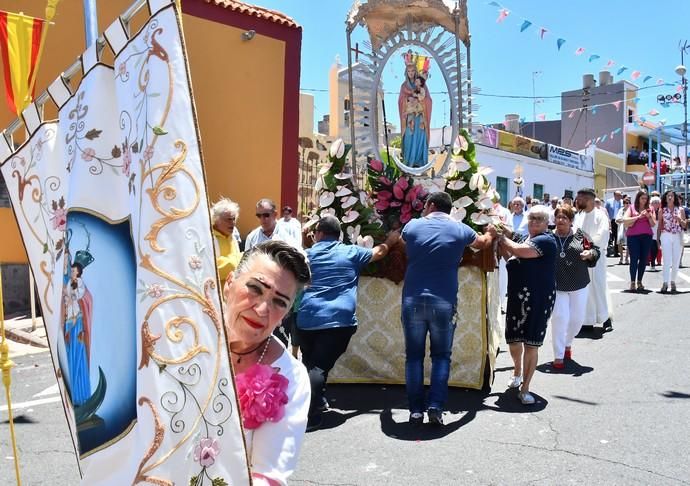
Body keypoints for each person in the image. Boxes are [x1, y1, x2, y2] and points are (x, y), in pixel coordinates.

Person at [296, 216, 400, 431]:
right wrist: (390, 240)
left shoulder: (307, 254)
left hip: (307, 318)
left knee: (310, 362)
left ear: (319, 234)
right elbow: (378, 253)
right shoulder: (350, 252)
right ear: (339, 235)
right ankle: (311, 415)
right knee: (318, 368)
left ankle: (318, 401)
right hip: (337, 320)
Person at [400, 192, 495, 425]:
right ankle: (435, 406)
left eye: (425, 206)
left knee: (414, 357)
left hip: (412, 299)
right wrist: (490, 233)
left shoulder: (413, 226)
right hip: (444, 300)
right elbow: (482, 244)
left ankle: (415, 410)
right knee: (441, 357)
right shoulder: (459, 228)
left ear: (431, 205)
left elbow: (403, 241)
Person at [224, 240, 311, 485]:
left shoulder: (290, 378)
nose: (262, 309)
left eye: (279, 302)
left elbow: (267, 475)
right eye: (255, 288)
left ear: (286, 314)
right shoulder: (183, 336)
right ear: (229, 283)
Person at [498, 206, 555, 405]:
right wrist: (501, 241)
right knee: (513, 340)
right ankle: (517, 371)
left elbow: (520, 251)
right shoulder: (524, 239)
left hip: (538, 299)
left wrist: (501, 238)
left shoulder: (546, 240)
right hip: (517, 297)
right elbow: (511, 260)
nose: (534, 223)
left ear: (547, 223)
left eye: (539, 220)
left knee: (531, 343)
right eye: (531, 219)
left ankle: (525, 388)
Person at [549, 205, 599, 369]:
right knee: (559, 318)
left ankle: (568, 342)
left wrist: (590, 254)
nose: (561, 220)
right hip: (557, 285)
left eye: (565, 217)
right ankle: (558, 355)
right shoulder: (548, 236)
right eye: (558, 217)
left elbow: (595, 249)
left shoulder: (580, 235)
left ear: (571, 221)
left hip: (578, 283)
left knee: (576, 320)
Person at [574, 188, 613, 332]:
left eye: (581, 199)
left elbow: (602, 235)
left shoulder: (600, 216)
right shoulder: (579, 216)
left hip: (596, 256)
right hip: (581, 257)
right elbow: (575, 233)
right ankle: (588, 320)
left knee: (599, 285)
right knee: (586, 288)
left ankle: (605, 318)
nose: (578, 201)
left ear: (589, 200)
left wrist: (591, 249)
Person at [62, 249, 94, 407]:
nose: (72, 272)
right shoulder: (70, 281)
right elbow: (67, 294)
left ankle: (82, 395)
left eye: (74, 270)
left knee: (79, 354)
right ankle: (74, 393)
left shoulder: (79, 283)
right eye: (72, 270)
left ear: (78, 272)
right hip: (70, 320)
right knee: (71, 354)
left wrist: (70, 294)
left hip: (77, 321)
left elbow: (79, 296)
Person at [398, 55, 431, 168]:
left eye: (413, 71)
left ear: (416, 72)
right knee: (408, 137)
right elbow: (400, 101)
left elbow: (428, 100)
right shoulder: (404, 86)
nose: (411, 73)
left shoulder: (423, 86)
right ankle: (408, 163)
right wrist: (408, 99)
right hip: (409, 119)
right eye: (409, 71)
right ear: (406, 72)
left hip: (420, 118)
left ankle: (419, 164)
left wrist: (420, 101)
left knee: (419, 138)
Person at [620, 190, 655, 292]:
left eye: (646, 198)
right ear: (638, 198)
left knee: (643, 259)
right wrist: (638, 217)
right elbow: (625, 220)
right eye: (642, 198)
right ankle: (632, 282)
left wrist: (648, 216)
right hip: (633, 237)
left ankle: (639, 281)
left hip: (647, 236)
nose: (644, 200)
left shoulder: (650, 208)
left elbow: (653, 224)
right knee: (634, 259)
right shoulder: (631, 208)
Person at [658, 190, 687, 293]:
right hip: (665, 235)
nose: (670, 198)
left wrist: (679, 219)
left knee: (676, 260)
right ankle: (665, 282)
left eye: (671, 196)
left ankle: (673, 281)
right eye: (668, 196)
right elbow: (659, 225)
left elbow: (684, 225)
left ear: (674, 198)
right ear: (665, 198)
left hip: (677, 235)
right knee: (666, 260)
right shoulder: (662, 210)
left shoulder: (680, 210)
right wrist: (658, 240)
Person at [211, 198, 242, 283]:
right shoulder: (211, 239)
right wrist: (239, 260)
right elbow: (214, 268)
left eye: (234, 219)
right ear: (216, 220)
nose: (232, 223)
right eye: (228, 219)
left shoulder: (232, 238)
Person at [605, 191, 623, 257]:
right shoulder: (609, 201)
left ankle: (616, 252)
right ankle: (609, 251)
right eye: (618, 195)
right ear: (614, 195)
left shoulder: (622, 202)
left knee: (617, 236)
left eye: (620, 195)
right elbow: (605, 210)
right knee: (610, 236)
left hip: (618, 221)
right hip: (611, 221)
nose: (619, 197)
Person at [615, 197, 631, 265]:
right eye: (625, 203)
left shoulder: (631, 210)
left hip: (629, 228)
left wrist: (624, 220)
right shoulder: (621, 210)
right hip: (621, 228)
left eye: (628, 203)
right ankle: (621, 258)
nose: (626, 204)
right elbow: (617, 220)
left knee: (629, 243)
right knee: (620, 243)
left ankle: (627, 258)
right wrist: (624, 220)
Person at [649, 196, 662, 270]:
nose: (656, 204)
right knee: (652, 248)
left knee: (657, 249)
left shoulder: (660, 211)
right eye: (654, 202)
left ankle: (653, 262)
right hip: (650, 232)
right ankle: (652, 264)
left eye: (657, 202)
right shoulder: (650, 210)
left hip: (658, 232)